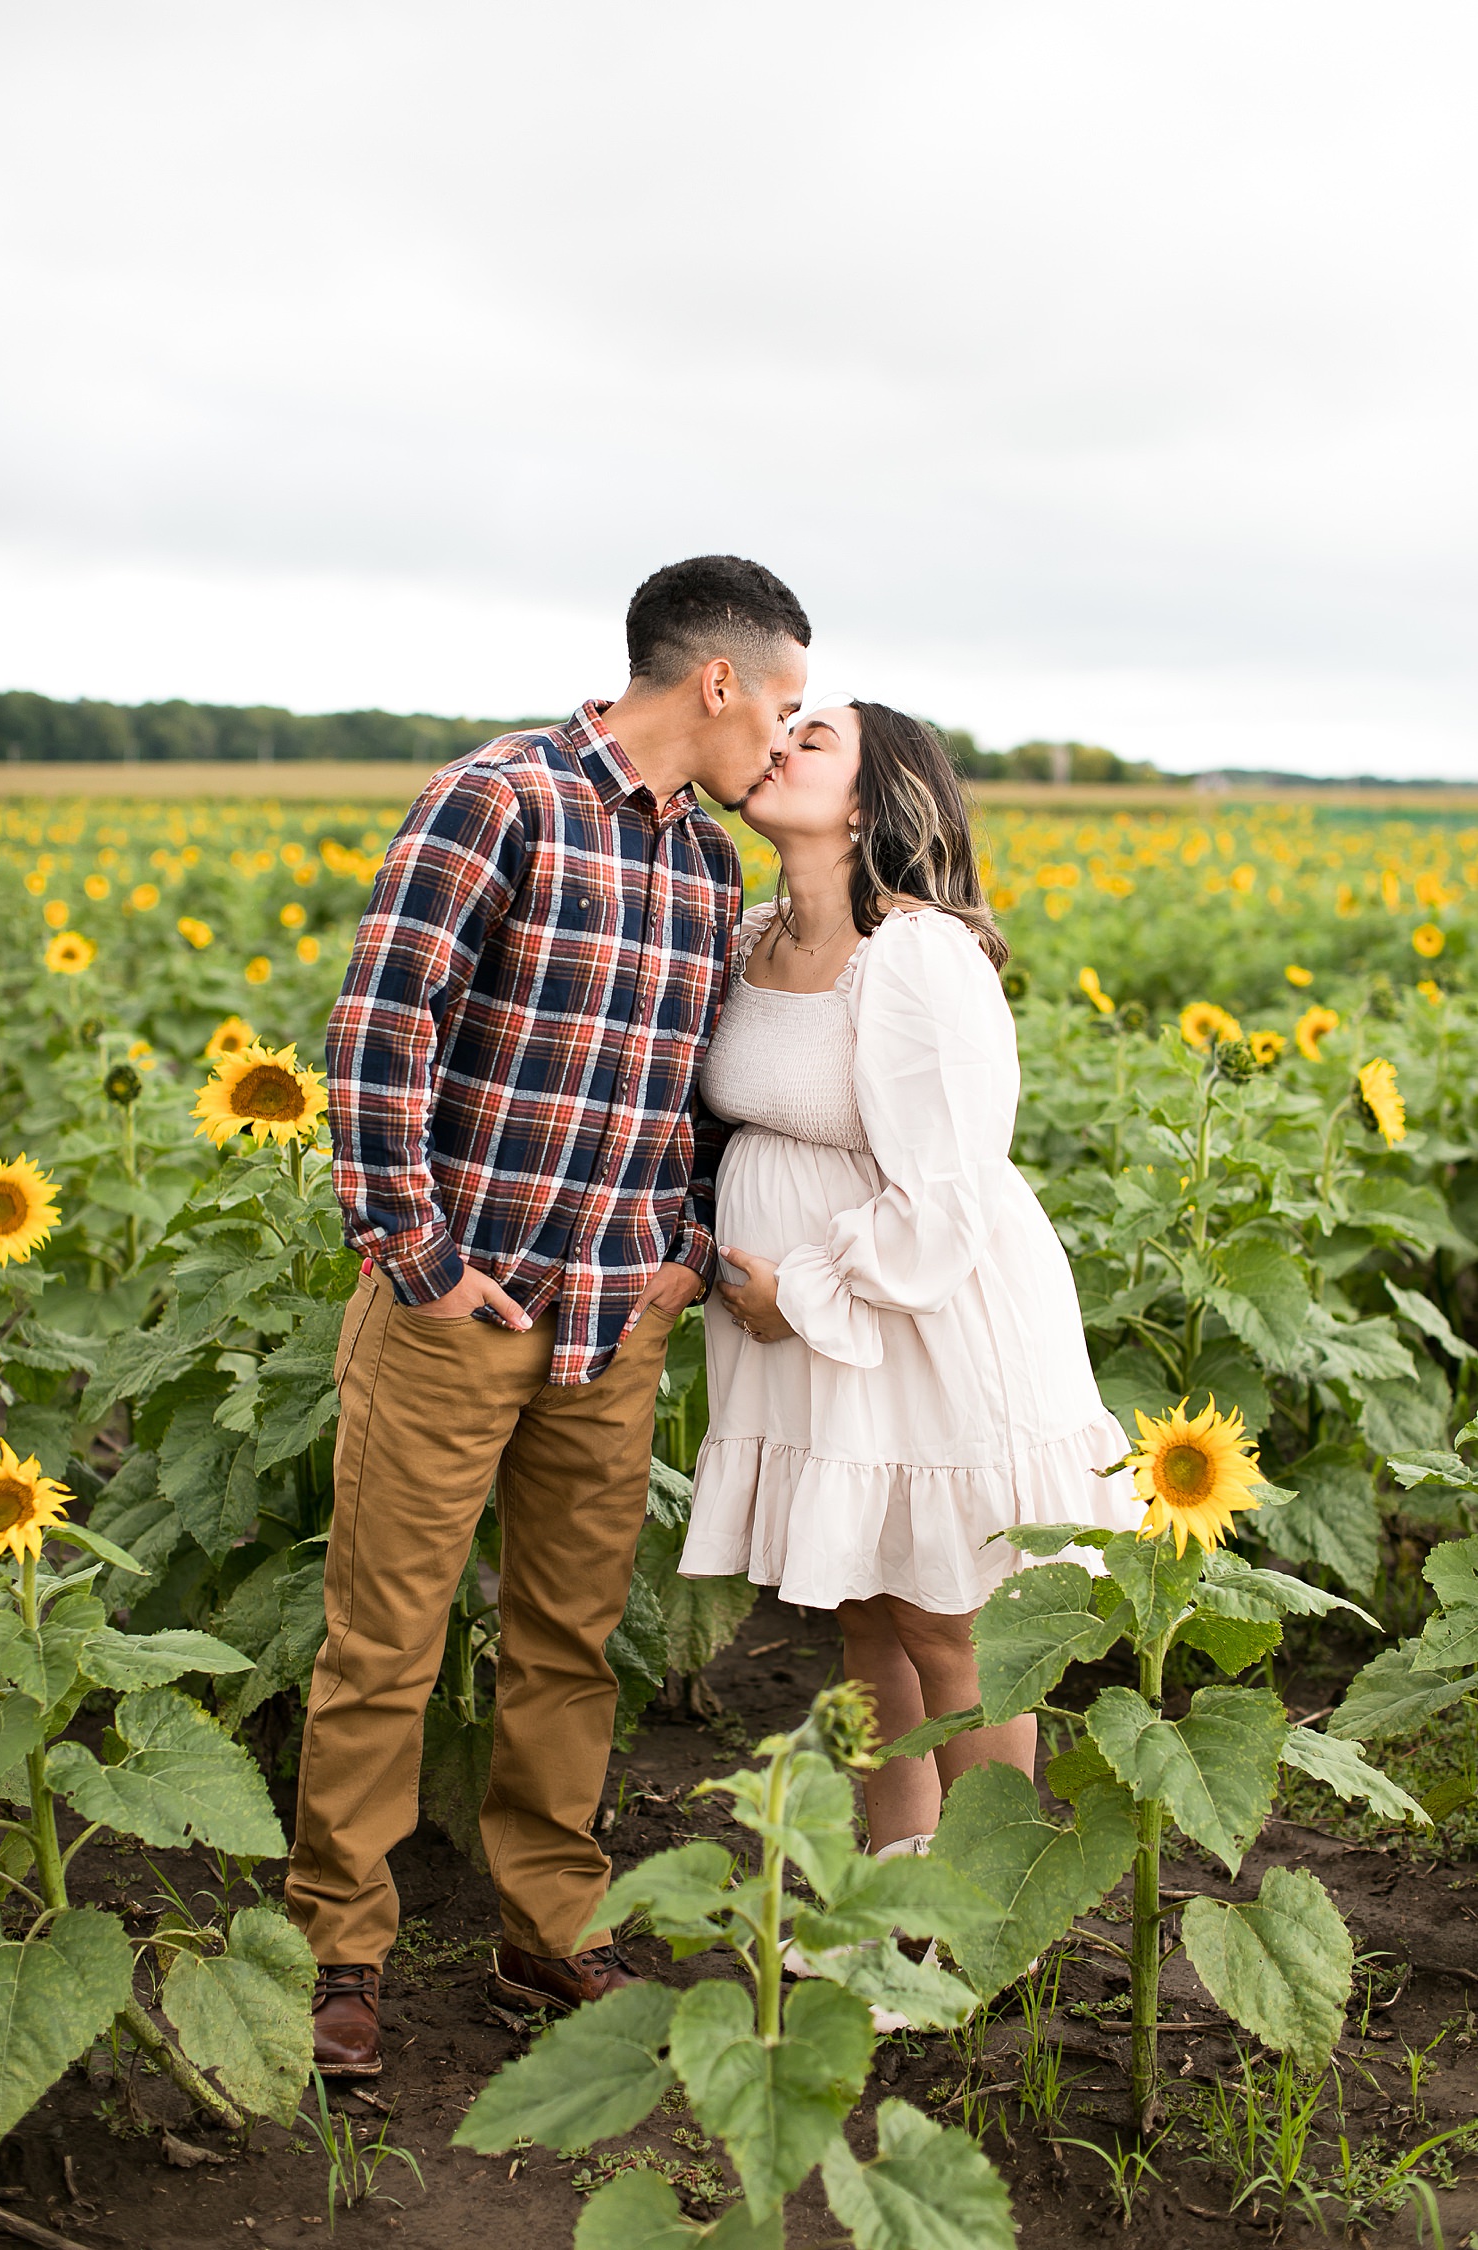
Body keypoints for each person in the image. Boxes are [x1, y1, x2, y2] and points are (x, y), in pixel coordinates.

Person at [287, 555, 811, 2075]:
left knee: (570, 1639)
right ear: (715, 681)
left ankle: (545, 1931)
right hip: (462, 1309)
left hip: (613, 1320)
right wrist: (421, 1256)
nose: (782, 738)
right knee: (384, 1636)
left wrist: (678, 1249)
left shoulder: (711, 868)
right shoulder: (501, 798)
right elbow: (382, 1027)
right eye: (779, 702)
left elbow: (691, 1101)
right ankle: (341, 1950)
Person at [679, 700, 1138, 1859]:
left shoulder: (918, 953)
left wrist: (808, 1292)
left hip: (917, 1316)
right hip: (807, 1332)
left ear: (875, 801)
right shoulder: (752, 937)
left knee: (948, 1616)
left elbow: (949, 1188)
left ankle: (987, 1906)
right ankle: (893, 1891)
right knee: (866, 1612)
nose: (778, 744)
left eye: (814, 738)